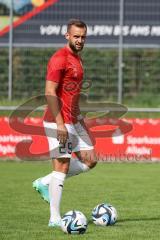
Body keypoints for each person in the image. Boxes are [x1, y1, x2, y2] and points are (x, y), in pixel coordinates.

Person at [32, 19, 97, 227]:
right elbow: (50, 92)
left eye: (83, 37)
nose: (80, 40)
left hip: (74, 120)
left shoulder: (77, 59)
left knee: (90, 159)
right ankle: (54, 218)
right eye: (76, 36)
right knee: (62, 164)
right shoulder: (59, 59)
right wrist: (60, 124)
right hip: (58, 120)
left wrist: (78, 118)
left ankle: (45, 181)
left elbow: (71, 93)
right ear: (67, 35)